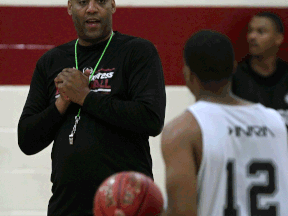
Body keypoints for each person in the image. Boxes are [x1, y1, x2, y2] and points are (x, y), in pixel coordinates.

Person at [17, 0, 166, 215]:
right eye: (82, 2)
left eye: (101, 1)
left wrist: (85, 97)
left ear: (113, 5)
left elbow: (151, 119)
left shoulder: (137, 51)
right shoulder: (51, 61)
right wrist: (63, 101)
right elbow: (27, 140)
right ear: (69, 7)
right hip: (66, 207)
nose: (92, 8)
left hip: (126, 207)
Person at [160, 30, 288, 216]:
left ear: (188, 74)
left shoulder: (182, 130)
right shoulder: (277, 122)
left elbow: (182, 212)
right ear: (234, 67)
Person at [232, 11, 288, 126]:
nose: (252, 37)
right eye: (250, 31)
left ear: (278, 38)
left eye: (260, 32)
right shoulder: (234, 77)